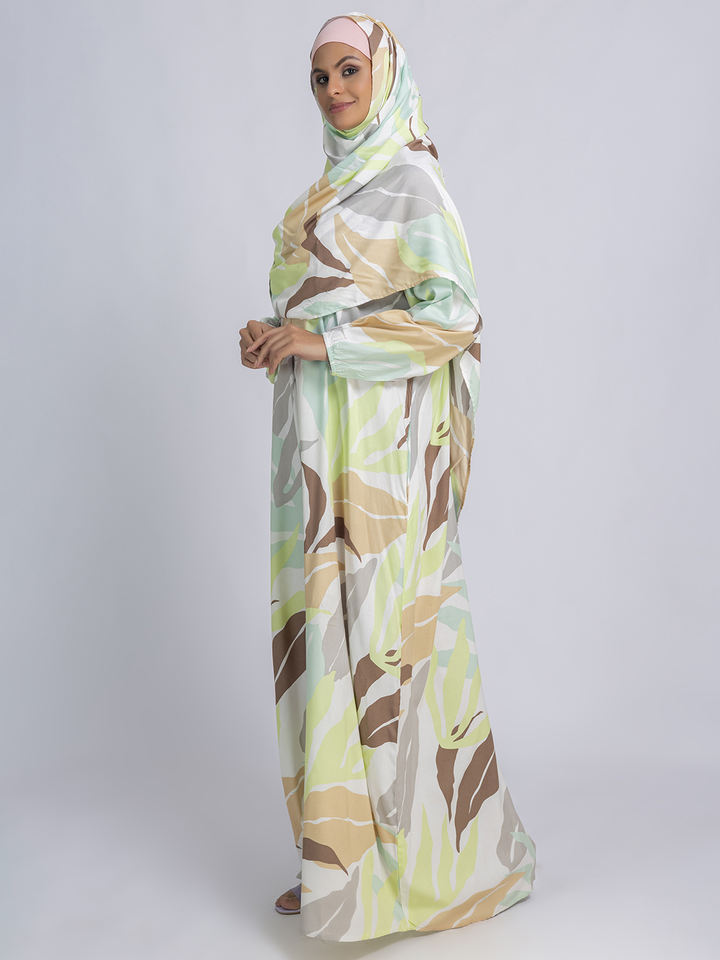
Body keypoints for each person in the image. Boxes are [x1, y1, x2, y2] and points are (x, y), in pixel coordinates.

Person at [238, 11, 537, 942]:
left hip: (380, 455)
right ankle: (337, 867)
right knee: (321, 636)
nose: (333, 91)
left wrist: (321, 342)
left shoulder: (411, 181)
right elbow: (325, 305)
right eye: (320, 77)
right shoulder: (325, 192)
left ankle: (428, 873)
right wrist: (275, 335)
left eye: (348, 71)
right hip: (316, 449)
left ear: (385, 73)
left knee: (382, 641)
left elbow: (453, 316)